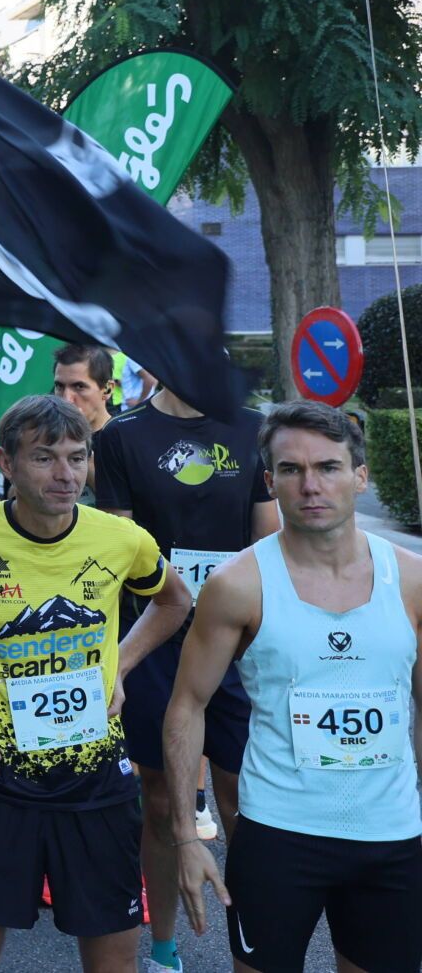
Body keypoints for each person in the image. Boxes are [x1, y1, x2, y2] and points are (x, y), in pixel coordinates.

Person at [0, 395, 192, 973]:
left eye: (77, 457)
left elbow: (175, 601)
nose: (65, 474)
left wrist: (118, 664)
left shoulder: (121, 539)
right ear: (6, 462)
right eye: (45, 458)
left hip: (96, 780)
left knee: (114, 962)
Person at [167, 400, 422, 973]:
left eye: (328, 467)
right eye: (291, 469)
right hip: (279, 833)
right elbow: (187, 705)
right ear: (269, 482)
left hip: (391, 837)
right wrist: (186, 836)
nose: (311, 485)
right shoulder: (238, 585)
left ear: (360, 476)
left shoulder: (412, 580)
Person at [90, 384, 277, 973]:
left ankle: (250, 946)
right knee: (161, 798)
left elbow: (269, 540)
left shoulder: (250, 428)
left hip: (237, 640)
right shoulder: (119, 436)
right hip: (155, 634)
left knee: (243, 800)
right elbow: (124, 545)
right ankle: (165, 950)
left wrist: (229, 600)